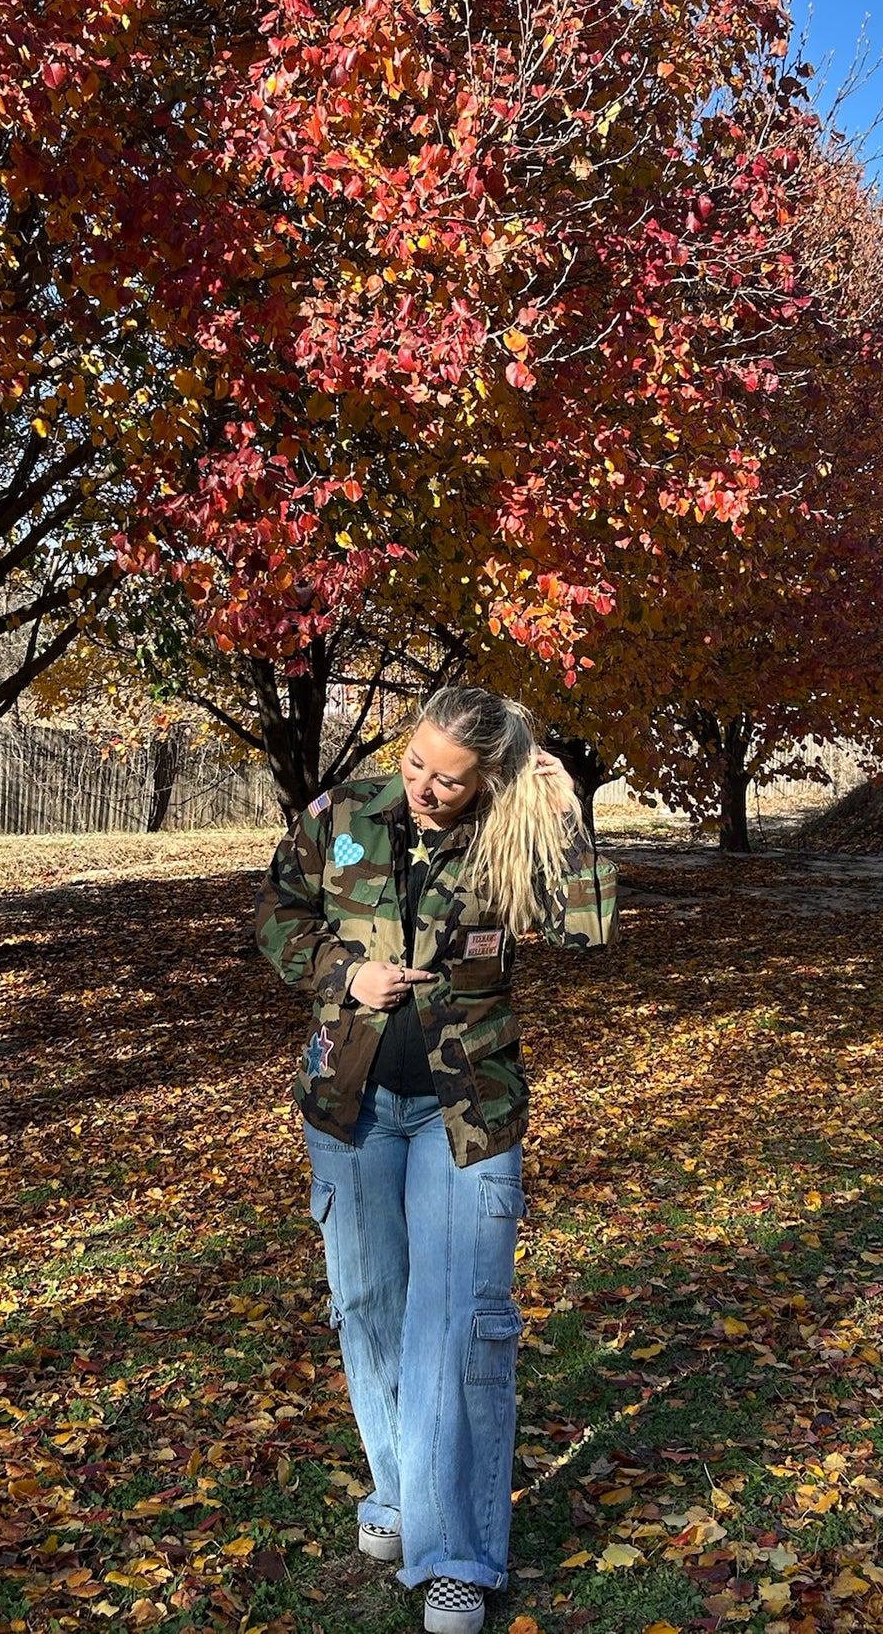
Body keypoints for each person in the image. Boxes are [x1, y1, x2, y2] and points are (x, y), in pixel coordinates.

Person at [256, 687, 618, 1634]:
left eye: (448, 780)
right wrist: (344, 975)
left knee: (454, 1324)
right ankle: (404, 1495)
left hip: (468, 1112)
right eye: (416, 763)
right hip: (349, 1104)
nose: (423, 785)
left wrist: (569, 818)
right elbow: (278, 913)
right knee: (369, 1308)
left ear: (486, 778)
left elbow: (586, 928)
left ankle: (454, 1553)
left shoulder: (512, 835)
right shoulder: (337, 817)